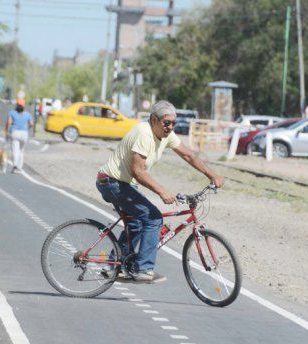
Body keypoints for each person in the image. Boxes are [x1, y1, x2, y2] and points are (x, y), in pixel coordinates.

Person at [96, 100, 224, 284]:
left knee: (136, 223)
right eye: (167, 123)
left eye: (174, 123)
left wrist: (213, 175)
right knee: (153, 218)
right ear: (154, 120)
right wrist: (162, 192)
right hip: (111, 181)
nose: (170, 127)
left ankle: (113, 266)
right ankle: (143, 269)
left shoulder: (166, 135)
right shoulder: (144, 133)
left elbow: (188, 155)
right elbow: (138, 172)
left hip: (121, 182)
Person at [6, 98, 34, 174]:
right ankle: (19, 167)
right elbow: (31, 124)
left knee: (15, 150)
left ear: (16, 105)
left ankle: (15, 166)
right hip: (24, 133)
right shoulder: (28, 114)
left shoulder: (12, 113)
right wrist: (27, 128)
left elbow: (9, 123)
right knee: (21, 151)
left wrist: (7, 132)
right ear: (24, 106)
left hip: (15, 132)